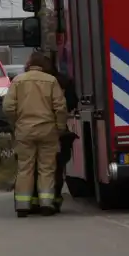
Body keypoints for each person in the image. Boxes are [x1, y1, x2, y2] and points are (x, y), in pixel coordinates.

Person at [4, 51, 68, 217]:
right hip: (48, 131)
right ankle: (46, 203)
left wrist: (16, 124)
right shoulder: (51, 81)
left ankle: (23, 205)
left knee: (25, 168)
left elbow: (8, 107)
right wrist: (59, 127)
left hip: (24, 131)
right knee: (46, 168)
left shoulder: (18, 81)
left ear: (29, 64)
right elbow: (60, 107)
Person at [49, 64, 79, 213]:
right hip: (56, 131)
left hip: (29, 132)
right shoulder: (63, 81)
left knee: (33, 167)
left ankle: (36, 201)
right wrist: (61, 128)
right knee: (57, 167)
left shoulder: (21, 82)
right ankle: (54, 199)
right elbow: (70, 104)